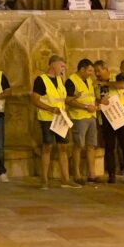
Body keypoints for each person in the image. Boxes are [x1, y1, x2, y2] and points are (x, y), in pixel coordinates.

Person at [30, 55, 81, 190]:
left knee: (63, 147)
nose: (63, 69)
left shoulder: (60, 79)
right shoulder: (41, 80)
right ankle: (44, 180)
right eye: (61, 66)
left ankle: (65, 179)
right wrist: (50, 109)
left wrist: (74, 98)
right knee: (47, 147)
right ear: (53, 65)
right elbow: (35, 99)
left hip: (60, 118)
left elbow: (62, 99)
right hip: (47, 118)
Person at [94, 60, 124, 184]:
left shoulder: (117, 77)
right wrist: (99, 101)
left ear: (106, 69)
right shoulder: (97, 84)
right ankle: (111, 174)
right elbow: (96, 98)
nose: (97, 74)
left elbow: (122, 85)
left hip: (121, 117)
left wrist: (105, 83)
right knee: (109, 147)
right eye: (95, 71)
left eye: (98, 71)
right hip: (107, 119)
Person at [66, 59, 100, 184]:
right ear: (82, 69)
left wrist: (97, 104)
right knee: (78, 145)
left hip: (91, 116)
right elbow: (68, 100)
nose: (91, 73)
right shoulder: (71, 81)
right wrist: (85, 107)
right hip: (79, 117)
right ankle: (77, 174)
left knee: (91, 146)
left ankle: (92, 174)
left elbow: (91, 97)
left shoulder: (89, 81)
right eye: (89, 70)